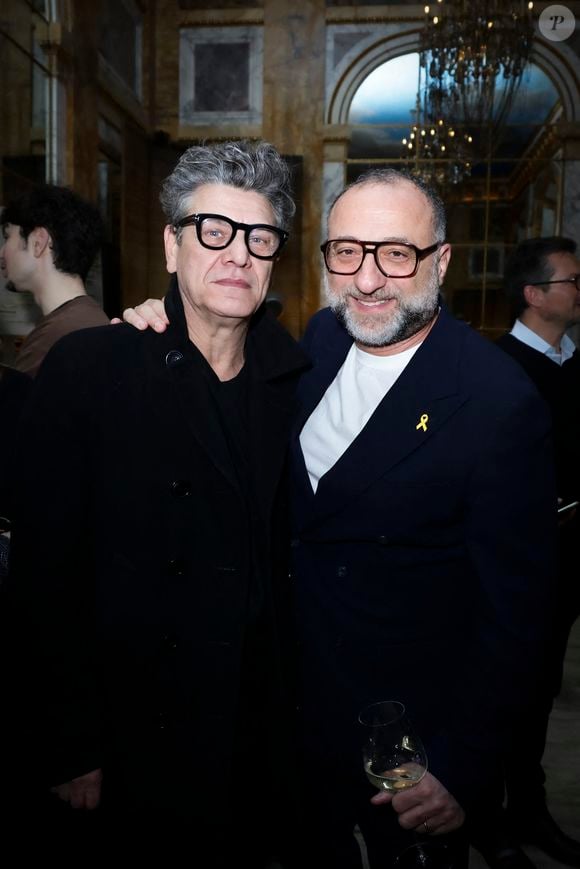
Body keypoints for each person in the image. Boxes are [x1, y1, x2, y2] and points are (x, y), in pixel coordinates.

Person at [123, 169, 557, 869]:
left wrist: (463, 765)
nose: (368, 279)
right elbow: (217, 355)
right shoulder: (321, 338)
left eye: (396, 253)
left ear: (440, 260)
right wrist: (159, 321)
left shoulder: (497, 402)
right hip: (291, 716)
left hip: (404, 747)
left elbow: (520, 616)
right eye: (346, 251)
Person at [2, 141, 309, 866]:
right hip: (133, 734)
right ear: (173, 246)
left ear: (274, 258)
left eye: (259, 237)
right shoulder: (94, 368)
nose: (238, 253)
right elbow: (45, 575)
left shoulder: (297, 380)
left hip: (253, 731)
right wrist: (70, 741)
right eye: (214, 230)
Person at [470, 237, 580, 869]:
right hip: (517, 565)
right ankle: (486, 816)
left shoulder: (572, 359)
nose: (578, 291)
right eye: (570, 281)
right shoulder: (500, 367)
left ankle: (529, 809)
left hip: (567, 566)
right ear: (535, 294)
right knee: (502, 691)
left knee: (539, 694)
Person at [0, 184, 108, 377]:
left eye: (8, 236)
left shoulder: (54, 339)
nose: (2, 253)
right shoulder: (89, 318)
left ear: (39, 242)